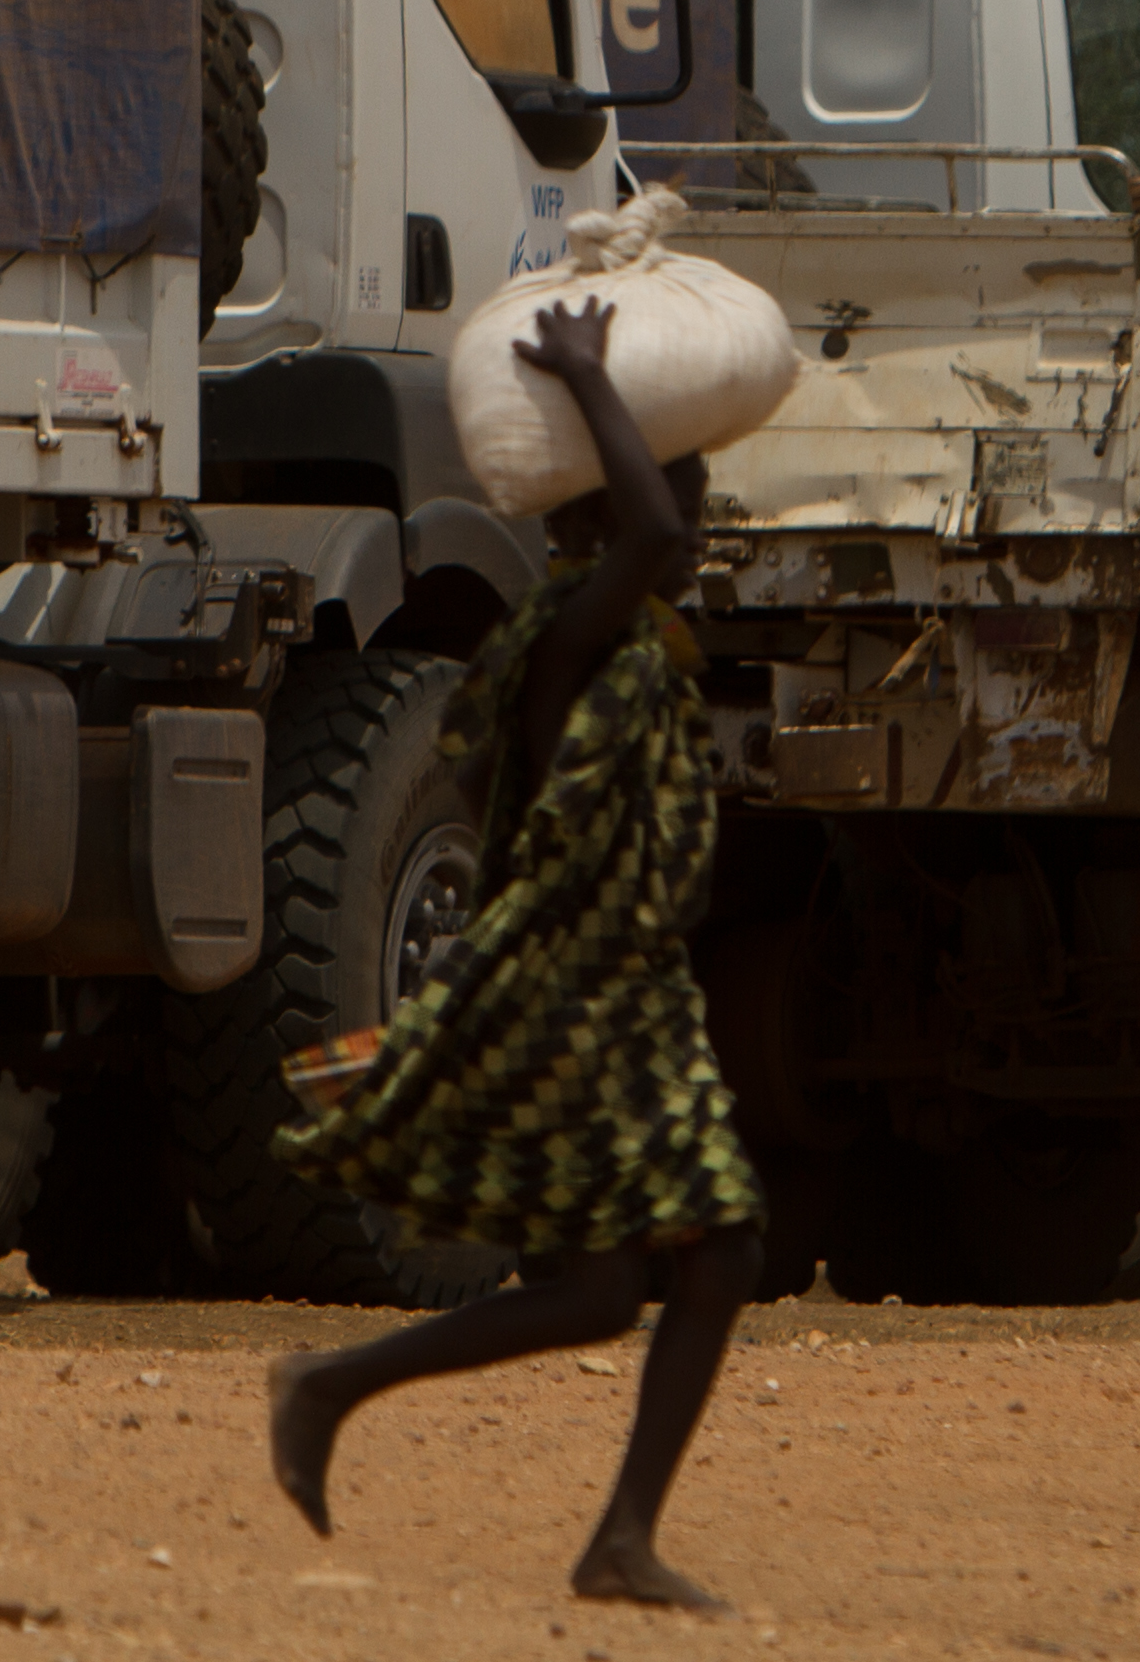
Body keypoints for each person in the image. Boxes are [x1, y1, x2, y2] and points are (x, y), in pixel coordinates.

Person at [264, 296, 767, 1611]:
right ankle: (600, 1531)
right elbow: (652, 528)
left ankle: (342, 1386)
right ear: (599, 527)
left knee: (612, 1288)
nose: (692, 537)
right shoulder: (564, 639)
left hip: (629, 997)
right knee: (712, 1250)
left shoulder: (636, 650)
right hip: (580, 999)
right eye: (675, 508)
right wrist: (595, 380)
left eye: (693, 507)